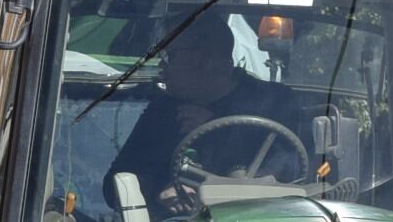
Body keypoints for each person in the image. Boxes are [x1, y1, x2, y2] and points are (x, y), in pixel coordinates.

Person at [113, 22, 308, 210]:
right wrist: (159, 189)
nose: (162, 65)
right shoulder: (162, 111)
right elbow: (116, 183)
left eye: (169, 55)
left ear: (203, 59)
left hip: (265, 218)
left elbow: (292, 167)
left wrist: (217, 134)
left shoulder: (273, 103)